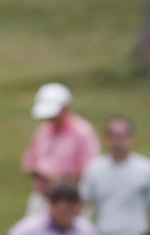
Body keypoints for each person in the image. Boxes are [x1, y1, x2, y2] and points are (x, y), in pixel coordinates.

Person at [21, 83, 97, 220]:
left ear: (66, 108)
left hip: (70, 201)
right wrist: (39, 172)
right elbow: (29, 162)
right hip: (43, 198)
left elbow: (89, 170)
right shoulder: (43, 131)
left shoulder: (82, 132)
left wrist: (60, 179)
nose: (50, 118)